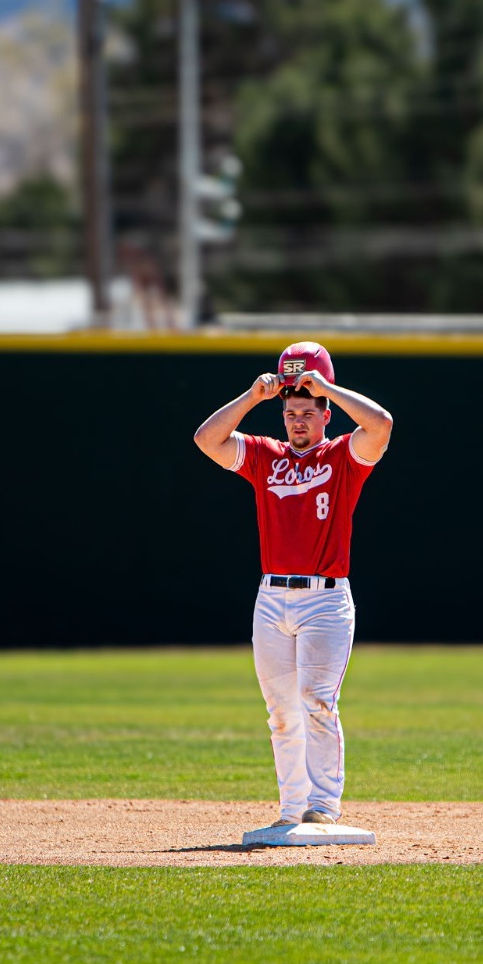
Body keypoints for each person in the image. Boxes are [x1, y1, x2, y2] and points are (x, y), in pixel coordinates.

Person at [192, 342, 393, 827]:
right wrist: (250, 398)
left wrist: (327, 389)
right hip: (272, 598)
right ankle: (290, 811)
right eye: (291, 413)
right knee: (281, 712)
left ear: (326, 416)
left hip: (325, 598)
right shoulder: (266, 455)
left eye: (308, 412)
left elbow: (381, 424)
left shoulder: (344, 456)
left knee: (318, 702)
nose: (298, 421)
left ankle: (322, 808)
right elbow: (206, 440)